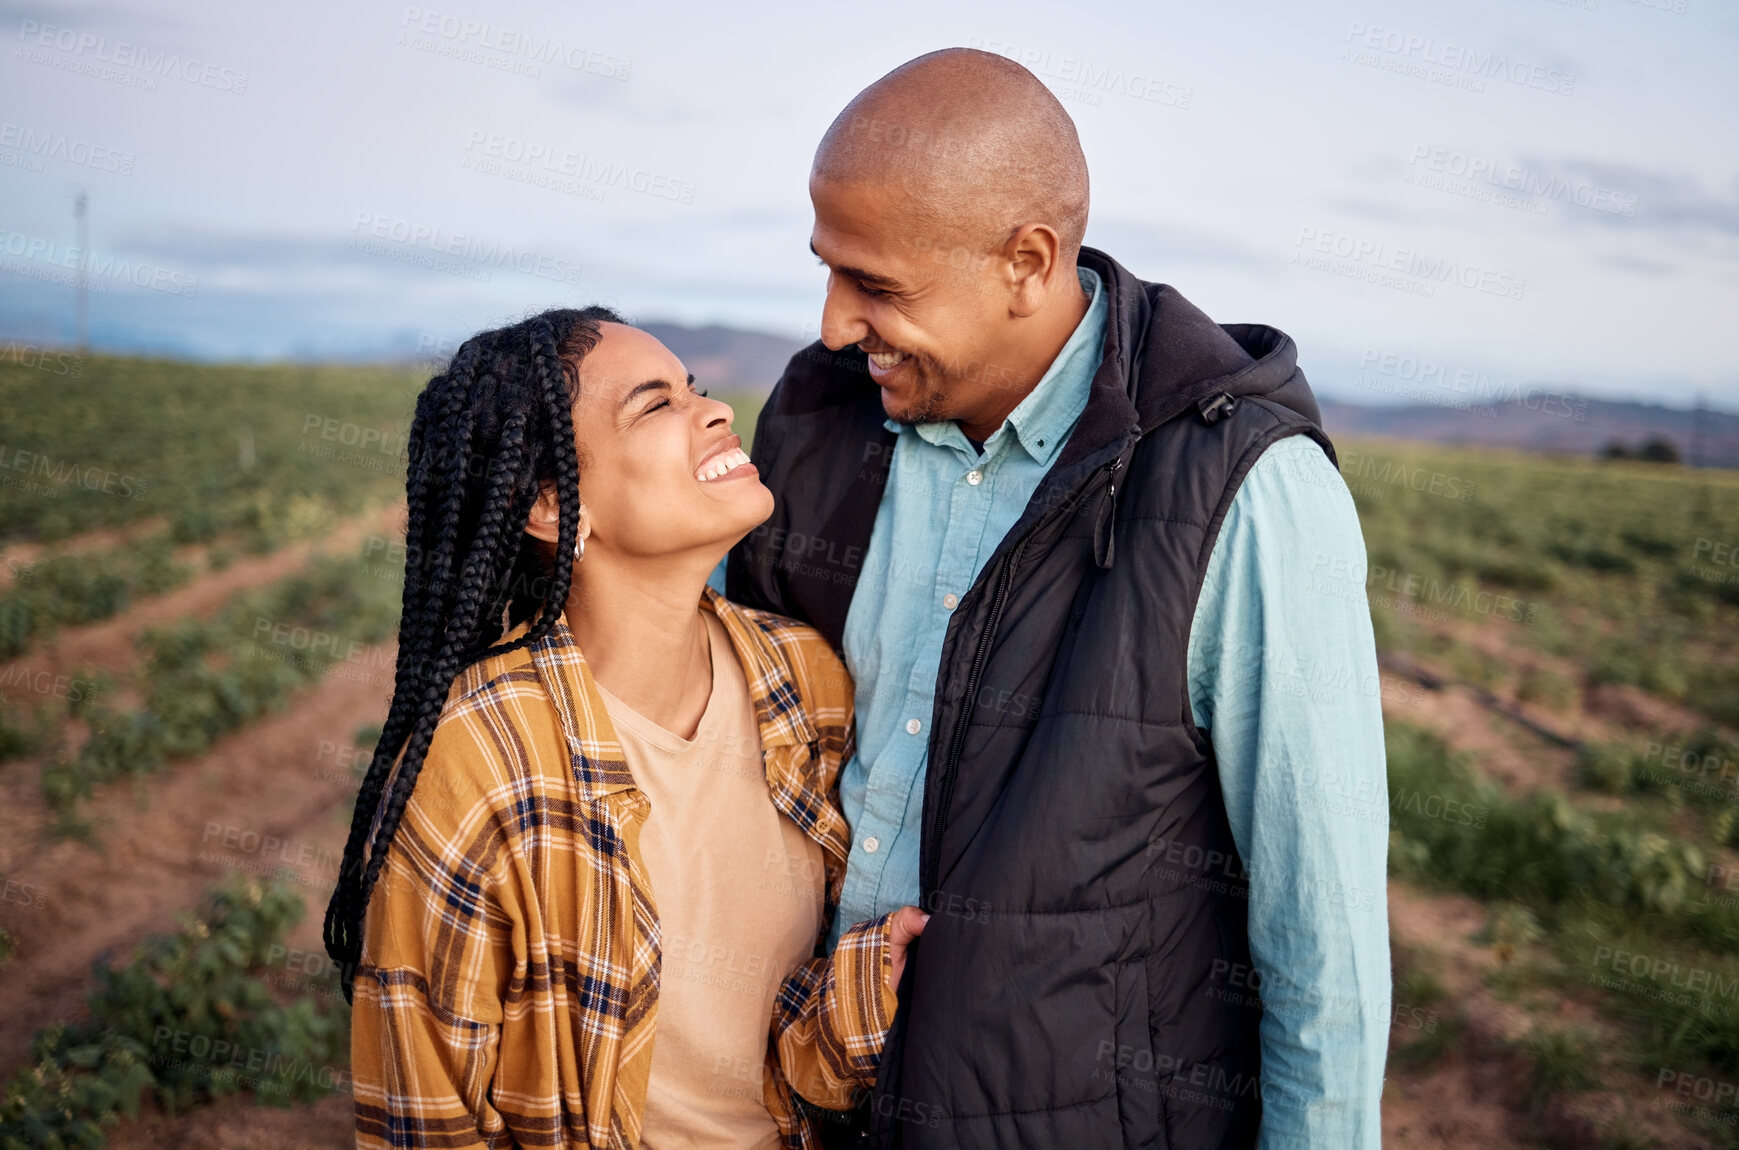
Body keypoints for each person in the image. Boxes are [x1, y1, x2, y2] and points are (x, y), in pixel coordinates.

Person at [724, 50, 1390, 1148]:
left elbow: (1323, 949)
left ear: (1025, 262)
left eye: (877, 285)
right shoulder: (812, 418)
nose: (835, 322)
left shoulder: (1242, 489)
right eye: (828, 271)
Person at [325, 307, 926, 1149]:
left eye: (698, 390)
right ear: (547, 505)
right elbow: (424, 1118)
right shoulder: (480, 757)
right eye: (655, 406)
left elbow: (778, 1045)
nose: (714, 411)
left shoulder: (803, 679)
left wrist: (866, 992)